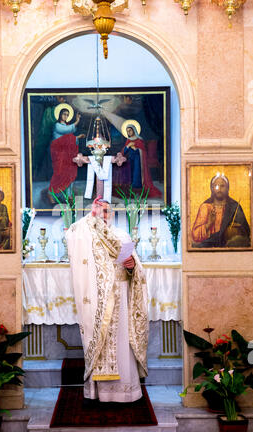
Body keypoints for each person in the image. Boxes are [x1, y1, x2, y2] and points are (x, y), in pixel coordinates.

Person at [66, 196, 149, 403]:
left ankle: (126, 392)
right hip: (99, 300)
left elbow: (136, 269)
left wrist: (132, 267)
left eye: (107, 211)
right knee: (102, 341)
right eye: (99, 211)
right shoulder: (86, 235)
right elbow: (72, 233)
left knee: (122, 346)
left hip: (120, 296)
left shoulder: (121, 234)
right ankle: (100, 393)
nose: (104, 215)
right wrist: (90, 214)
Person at [191, 173, 250, 248]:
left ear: (228, 188)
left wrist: (234, 231)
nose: (219, 189)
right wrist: (209, 224)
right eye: (216, 186)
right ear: (212, 188)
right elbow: (195, 236)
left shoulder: (234, 207)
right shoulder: (205, 207)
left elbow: (246, 231)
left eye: (222, 186)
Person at [48, 104, 85, 199]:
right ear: (60, 114)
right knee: (59, 174)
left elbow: (70, 138)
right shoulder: (57, 126)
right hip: (59, 154)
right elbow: (66, 132)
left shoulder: (67, 126)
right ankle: (51, 193)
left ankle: (69, 196)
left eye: (67, 115)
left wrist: (76, 138)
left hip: (67, 155)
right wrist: (77, 121)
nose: (66, 116)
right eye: (64, 114)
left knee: (70, 173)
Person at [121, 122, 162, 198]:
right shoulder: (128, 140)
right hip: (130, 161)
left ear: (134, 130)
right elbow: (123, 152)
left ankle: (138, 191)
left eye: (130, 130)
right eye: (127, 131)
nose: (129, 132)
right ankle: (131, 192)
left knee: (137, 175)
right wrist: (128, 146)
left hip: (138, 161)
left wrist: (136, 149)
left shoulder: (139, 140)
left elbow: (143, 151)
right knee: (130, 175)